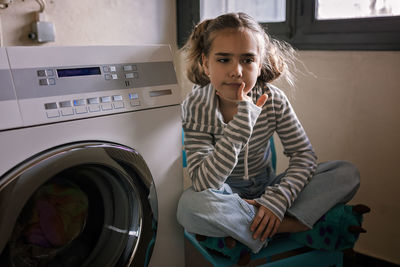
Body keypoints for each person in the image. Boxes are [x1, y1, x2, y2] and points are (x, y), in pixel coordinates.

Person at [177, 12, 361, 258]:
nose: (237, 71)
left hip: (268, 188)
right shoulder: (196, 105)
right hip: (226, 196)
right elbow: (203, 181)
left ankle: (247, 232)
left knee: (346, 174)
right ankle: (292, 227)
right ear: (205, 63)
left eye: (247, 60)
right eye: (223, 60)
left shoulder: (273, 99)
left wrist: (277, 200)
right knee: (188, 208)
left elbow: (304, 156)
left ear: (259, 62)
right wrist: (240, 127)